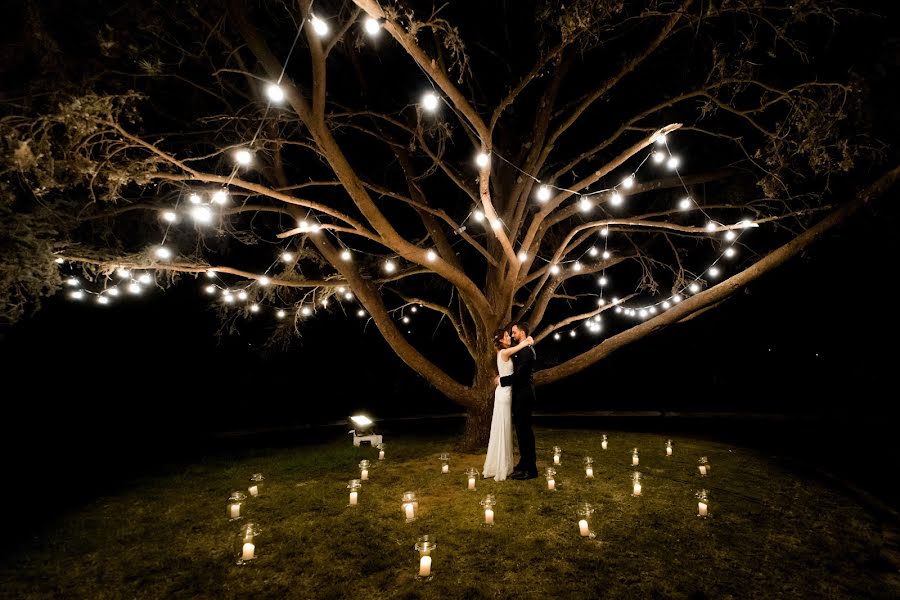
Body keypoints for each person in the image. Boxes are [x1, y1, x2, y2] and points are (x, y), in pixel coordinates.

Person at [483, 327, 533, 481]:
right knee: (503, 428)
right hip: (504, 394)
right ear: (500, 341)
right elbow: (519, 348)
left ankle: (504, 464)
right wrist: (528, 341)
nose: (510, 337)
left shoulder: (506, 352)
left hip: (507, 392)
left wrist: (501, 378)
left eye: (511, 334)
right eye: (506, 336)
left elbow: (512, 367)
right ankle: (501, 465)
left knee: (504, 428)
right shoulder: (505, 352)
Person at [496, 322, 538, 480]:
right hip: (519, 396)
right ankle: (523, 463)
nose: (512, 335)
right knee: (521, 432)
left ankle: (531, 469)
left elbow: (519, 376)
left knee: (525, 433)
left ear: (522, 332)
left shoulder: (527, 352)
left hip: (524, 396)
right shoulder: (521, 349)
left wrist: (501, 381)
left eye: (514, 332)